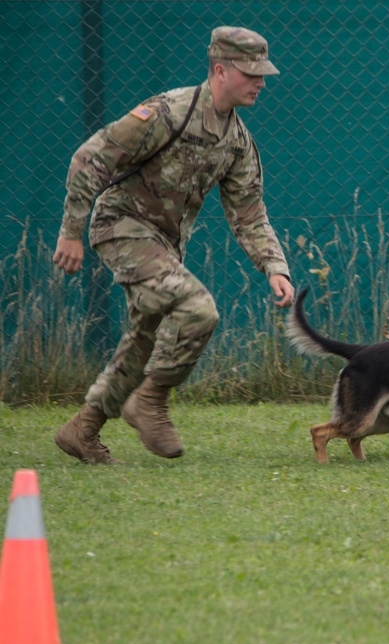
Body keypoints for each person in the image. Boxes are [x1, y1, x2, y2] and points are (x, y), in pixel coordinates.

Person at [52, 26, 294, 463]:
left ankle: (83, 430)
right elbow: (90, 157)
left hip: (163, 246)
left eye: (263, 74)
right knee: (198, 308)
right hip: (121, 227)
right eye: (251, 73)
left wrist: (274, 266)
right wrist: (71, 230)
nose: (261, 82)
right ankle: (151, 402)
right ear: (221, 70)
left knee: (144, 341)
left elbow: (249, 214)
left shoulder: (238, 142)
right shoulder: (169, 113)